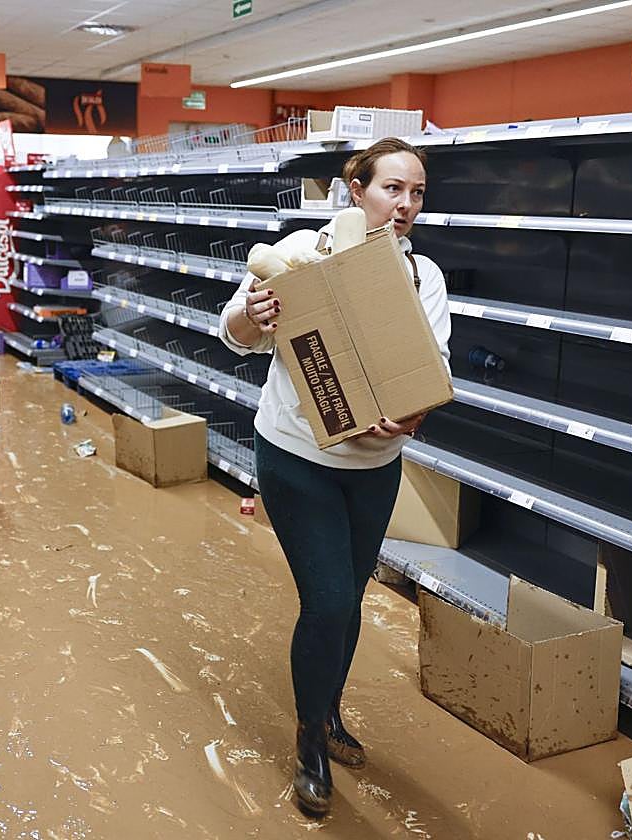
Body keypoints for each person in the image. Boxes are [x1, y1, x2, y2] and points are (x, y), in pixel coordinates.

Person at [218, 137, 452, 817]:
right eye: (391, 188)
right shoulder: (298, 254)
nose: (405, 204)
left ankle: (330, 706)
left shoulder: (421, 276)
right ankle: (310, 740)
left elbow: (431, 368)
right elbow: (233, 332)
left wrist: (409, 417)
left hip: (373, 467)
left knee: (349, 597)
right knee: (328, 602)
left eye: (416, 192)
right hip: (297, 457)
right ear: (356, 189)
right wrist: (252, 314)